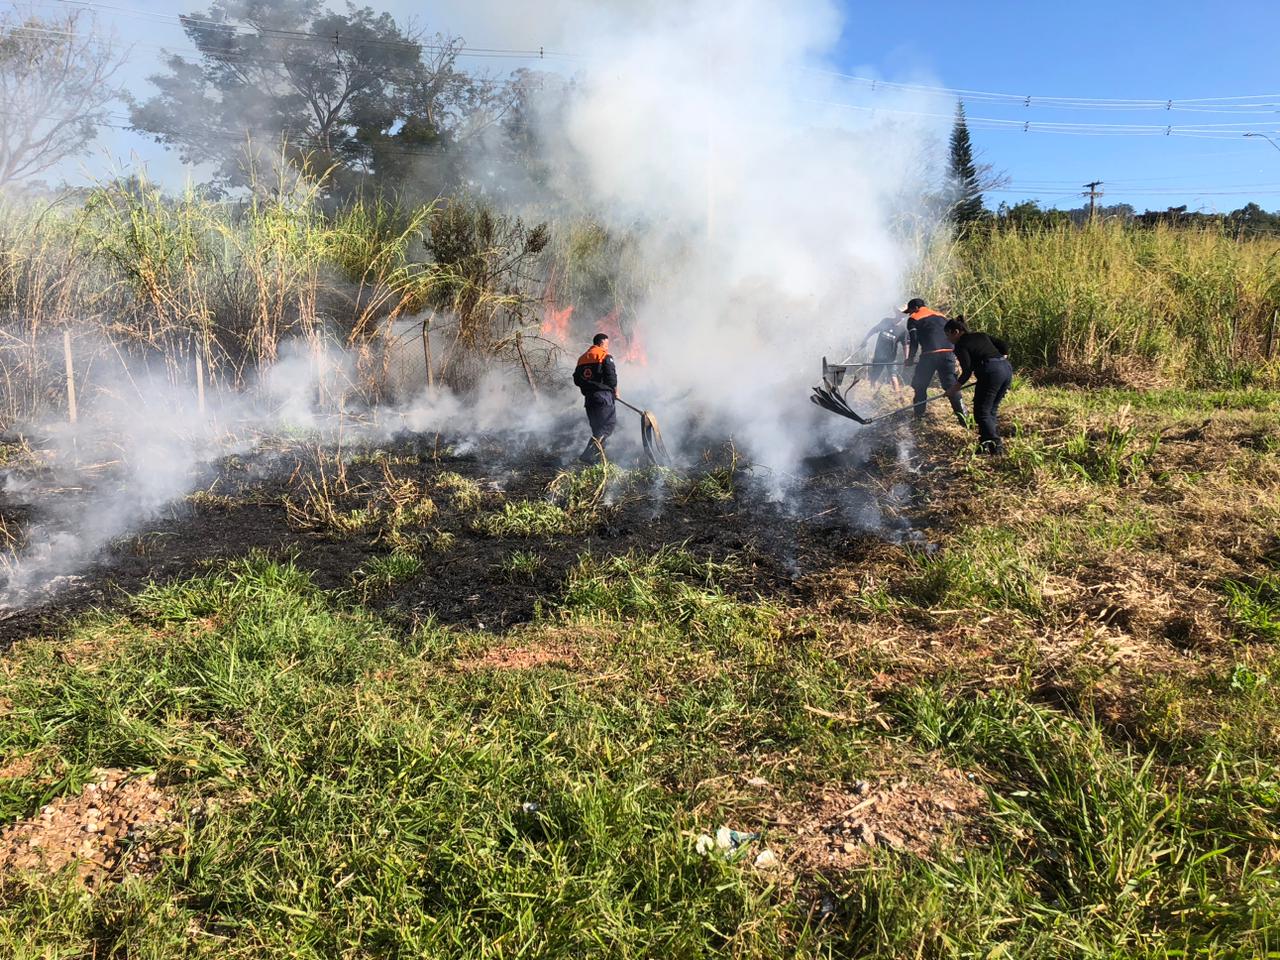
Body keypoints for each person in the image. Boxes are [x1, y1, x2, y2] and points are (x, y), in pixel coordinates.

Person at [943, 317, 1012, 454]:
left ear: (956, 332)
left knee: (981, 412)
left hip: (991, 372)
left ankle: (997, 448)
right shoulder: (981, 335)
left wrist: (953, 389)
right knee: (990, 409)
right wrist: (1000, 359)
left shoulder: (961, 345)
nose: (948, 339)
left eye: (948, 335)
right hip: (1006, 369)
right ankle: (985, 445)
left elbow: (967, 371)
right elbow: (1004, 345)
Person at [902, 297, 967, 424]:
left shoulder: (914, 318)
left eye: (910, 311)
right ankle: (964, 419)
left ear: (915, 308)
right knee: (951, 386)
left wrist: (910, 359)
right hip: (949, 353)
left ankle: (919, 418)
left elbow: (914, 341)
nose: (909, 314)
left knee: (920, 386)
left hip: (929, 355)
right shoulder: (942, 316)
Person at [573, 333, 618, 463]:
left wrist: (588, 387)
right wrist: (614, 391)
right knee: (608, 425)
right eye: (606, 344)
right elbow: (611, 378)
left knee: (597, 430)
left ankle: (597, 460)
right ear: (601, 342)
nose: (607, 347)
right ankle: (586, 455)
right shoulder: (604, 356)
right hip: (603, 397)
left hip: (589, 399)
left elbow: (576, 379)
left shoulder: (582, 358)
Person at [858, 314, 907, 393]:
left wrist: (907, 358)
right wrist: (865, 340)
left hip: (891, 358)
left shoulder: (902, 330)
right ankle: (871, 392)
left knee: (893, 376)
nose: (901, 318)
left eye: (903, 316)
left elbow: (905, 345)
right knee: (875, 375)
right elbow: (874, 330)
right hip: (879, 355)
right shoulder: (886, 321)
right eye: (900, 315)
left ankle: (898, 397)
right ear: (896, 313)